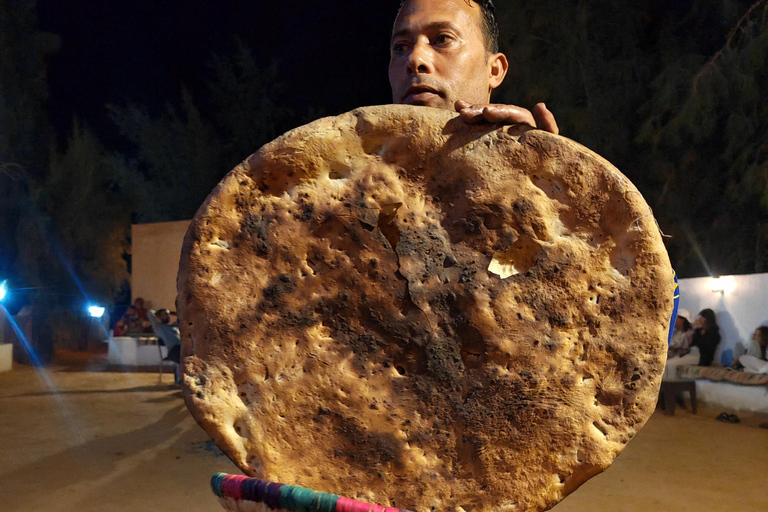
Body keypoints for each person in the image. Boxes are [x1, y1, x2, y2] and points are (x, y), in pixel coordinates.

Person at [389, 0, 558, 133]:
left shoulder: (531, 159)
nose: (415, 59)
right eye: (401, 47)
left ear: (494, 71)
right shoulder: (371, 165)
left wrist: (540, 165)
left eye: (442, 39)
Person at [148, 308, 181, 383]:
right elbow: (150, 312)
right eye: (164, 314)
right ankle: (179, 381)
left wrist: (172, 313)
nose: (167, 316)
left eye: (168, 315)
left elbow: (182, 316)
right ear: (159, 316)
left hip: (182, 348)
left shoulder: (174, 326)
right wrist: (158, 312)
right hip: (173, 351)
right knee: (182, 357)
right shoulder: (159, 328)